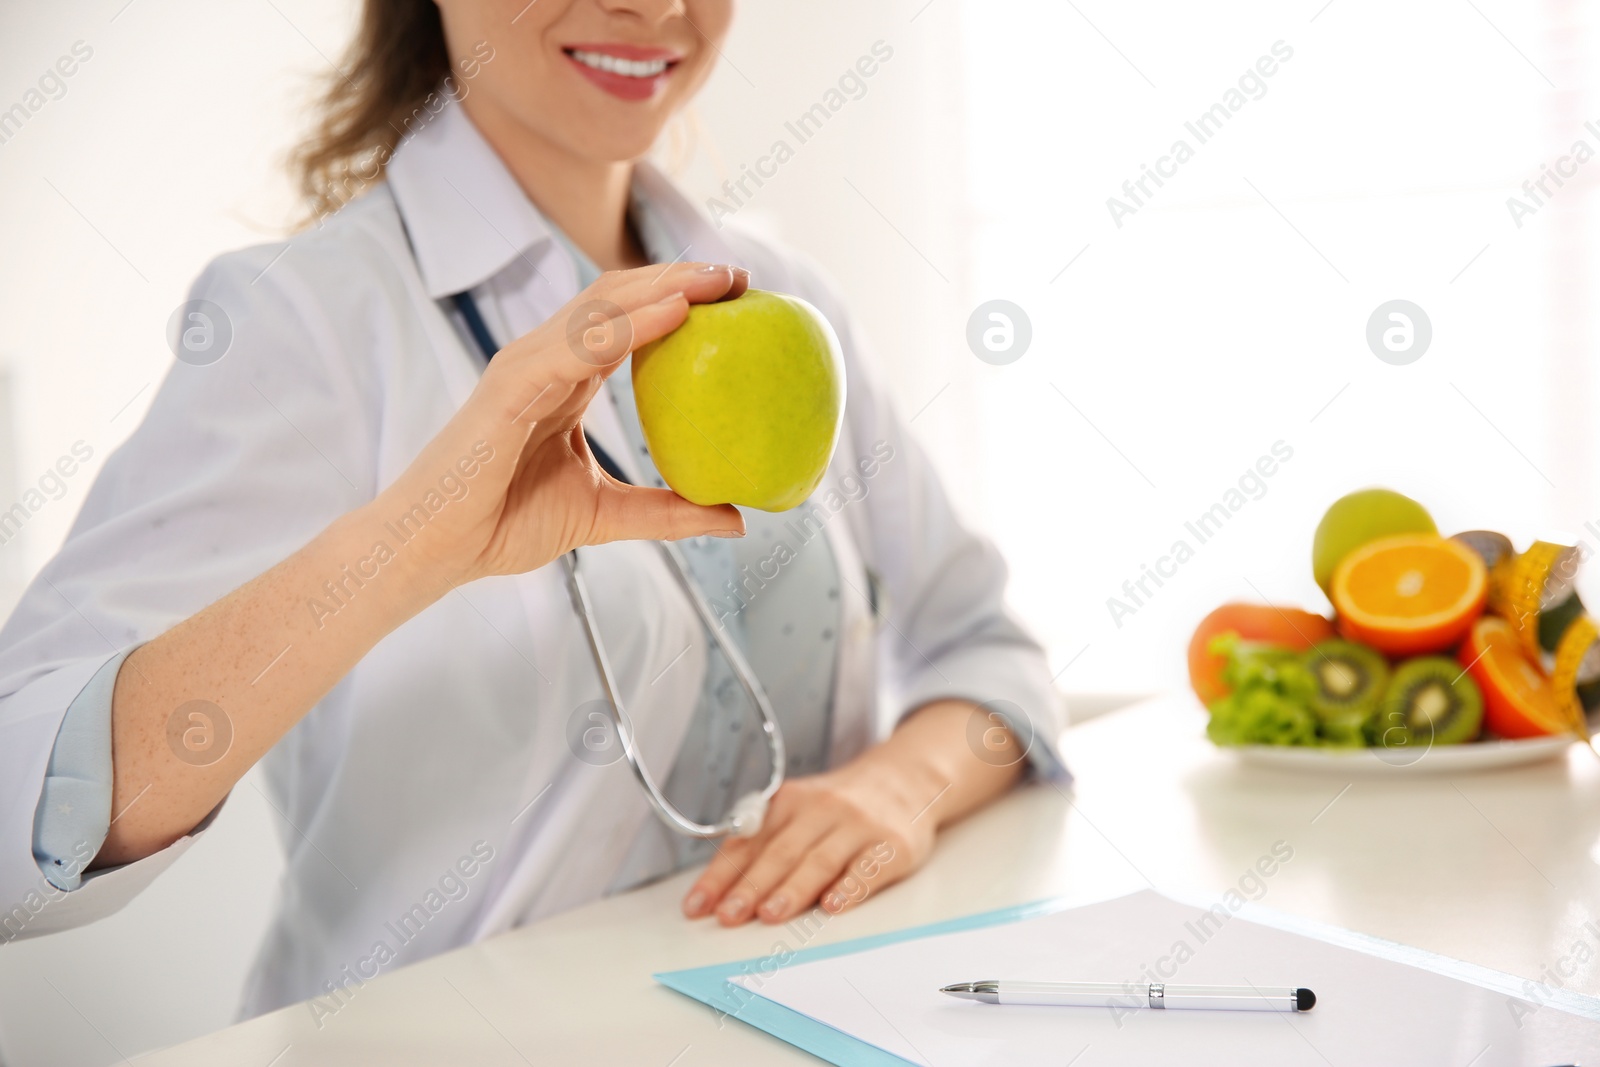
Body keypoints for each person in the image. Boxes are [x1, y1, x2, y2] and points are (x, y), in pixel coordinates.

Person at [0, 0, 1064, 1018]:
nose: (653, 6)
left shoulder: (787, 297)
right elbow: (18, 788)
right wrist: (408, 547)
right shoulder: (304, 320)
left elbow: (989, 652)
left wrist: (899, 784)